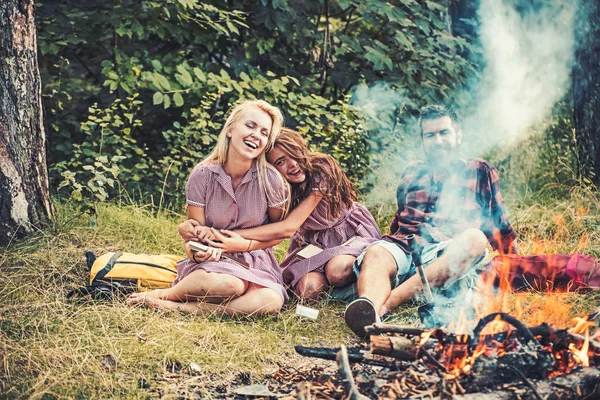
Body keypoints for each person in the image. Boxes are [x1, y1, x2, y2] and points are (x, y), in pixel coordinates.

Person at [344, 104, 518, 337]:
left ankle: (384, 306)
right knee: (377, 251)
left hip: (447, 255)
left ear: (458, 134)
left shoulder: (479, 170)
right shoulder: (412, 172)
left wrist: (518, 265)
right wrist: (389, 253)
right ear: (423, 141)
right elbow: (400, 218)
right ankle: (369, 310)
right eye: (430, 135)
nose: (438, 141)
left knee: (475, 239)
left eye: (444, 133)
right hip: (407, 248)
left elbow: (499, 224)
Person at [127, 99, 290, 316]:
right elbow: (194, 237)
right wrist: (197, 254)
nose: (256, 135)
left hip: (256, 259)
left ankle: (174, 306)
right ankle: (169, 293)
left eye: (264, 133)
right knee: (231, 285)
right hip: (216, 259)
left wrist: (244, 244)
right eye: (250, 126)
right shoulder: (203, 175)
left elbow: (277, 234)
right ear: (230, 129)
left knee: (271, 301)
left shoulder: (271, 180)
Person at [179, 128, 382, 300]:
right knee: (306, 291)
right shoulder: (276, 186)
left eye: (294, 155)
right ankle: (343, 292)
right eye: (280, 162)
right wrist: (193, 229)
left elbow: (288, 228)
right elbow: (267, 224)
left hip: (346, 233)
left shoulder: (322, 169)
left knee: (336, 271)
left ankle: (370, 285)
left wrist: (224, 234)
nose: (292, 164)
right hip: (313, 243)